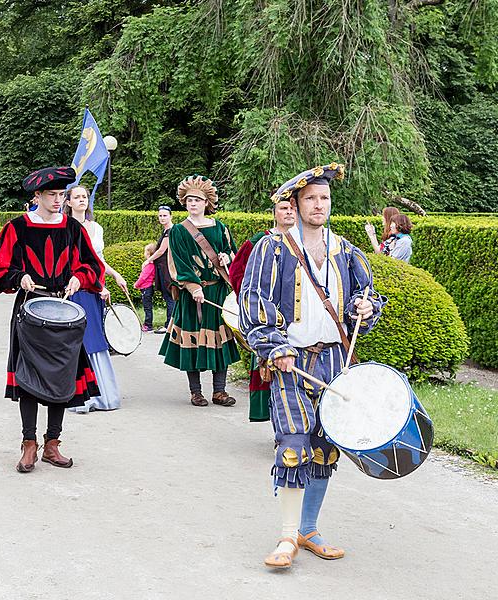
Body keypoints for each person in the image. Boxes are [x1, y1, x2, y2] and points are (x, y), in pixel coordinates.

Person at [239, 163, 385, 570]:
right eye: (310, 199)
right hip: (292, 361)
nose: (318, 205)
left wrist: (365, 307)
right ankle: (287, 536)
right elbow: (254, 301)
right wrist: (274, 346)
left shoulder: (346, 250)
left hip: (335, 360)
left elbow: (368, 298)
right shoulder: (274, 248)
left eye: (324, 198)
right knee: (293, 447)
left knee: (325, 449)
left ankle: (309, 528)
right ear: (296, 204)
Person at [0, 166, 105, 473]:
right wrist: (19, 276)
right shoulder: (18, 227)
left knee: (62, 378)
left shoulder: (72, 228)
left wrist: (78, 278)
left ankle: (52, 444)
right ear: (37, 195)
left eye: (61, 195)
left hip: (64, 310)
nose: (58, 200)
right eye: (52, 195)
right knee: (29, 379)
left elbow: (92, 266)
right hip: (30, 310)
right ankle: (28, 444)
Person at [159, 176, 240, 407]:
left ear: (207, 202)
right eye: (189, 199)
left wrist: (227, 257)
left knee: (219, 341)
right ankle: (196, 392)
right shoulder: (178, 231)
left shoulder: (220, 227)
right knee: (192, 342)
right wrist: (193, 287)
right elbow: (178, 264)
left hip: (217, 293)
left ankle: (219, 391)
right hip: (192, 295)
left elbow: (231, 253)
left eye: (197, 199)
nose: (192, 203)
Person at [228, 197, 296, 423]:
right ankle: (280, 428)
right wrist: (253, 306)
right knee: (270, 369)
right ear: (275, 213)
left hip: (297, 320)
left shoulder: (308, 241)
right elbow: (237, 273)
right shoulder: (260, 241)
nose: (288, 212)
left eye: (292, 208)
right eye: (283, 208)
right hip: (269, 320)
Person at [63, 184, 127, 413]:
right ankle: (82, 395)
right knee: (84, 338)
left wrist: (115, 274)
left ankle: (102, 393)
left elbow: (97, 260)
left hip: (96, 288)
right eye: (77, 197)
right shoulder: (65, 227)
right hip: (77, 288)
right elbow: (71, 263)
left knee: (97, 338)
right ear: (68, 202)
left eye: (85, 197)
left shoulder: (96, 228)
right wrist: (96, 284)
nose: (82, 200)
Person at [146, 206, 176, 334]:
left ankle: (170, 324)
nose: (162, 218)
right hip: (164, 268)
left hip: (167, 269)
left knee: (169, 296)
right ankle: (171, 323)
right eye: (160, 216)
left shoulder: (170, 231)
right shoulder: (166, 231)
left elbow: (162, 250)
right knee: (168, 296)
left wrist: (148, 260)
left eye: (165, 215)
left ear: (171, 216)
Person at [135, 243, 158, 332]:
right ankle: (147, 324)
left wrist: (136, 284)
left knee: (147, 307)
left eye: (145, 252)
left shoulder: (149, 266)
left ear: (149, 254)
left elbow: (143, 277)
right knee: (147, 307)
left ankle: (148, 325)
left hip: (146, 289)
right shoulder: (152, 265)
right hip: (147, 288)